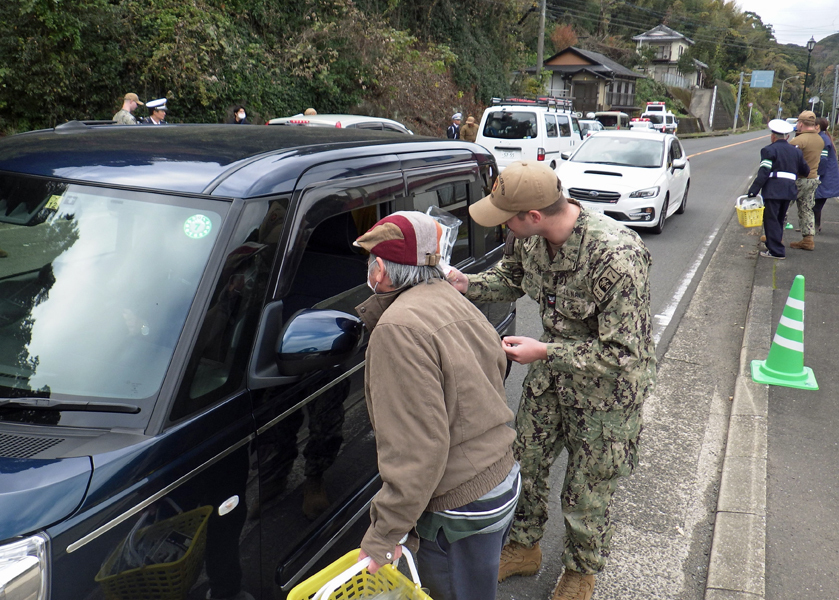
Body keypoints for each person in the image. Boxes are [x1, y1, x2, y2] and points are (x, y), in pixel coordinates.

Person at [445, 161, 656, 600]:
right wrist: (468, 284)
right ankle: (524, 547)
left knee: (587, 486)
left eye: (507, 217)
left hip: (606, 396)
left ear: (534, 216)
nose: (502, 223)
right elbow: (511, 278)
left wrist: (545, 351)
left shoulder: (616, 256)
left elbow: (623, 354)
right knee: (526, 461)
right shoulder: (530, 240)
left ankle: (581, 572)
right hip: (551, 380)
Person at [354, 211, 519, 600]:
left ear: (381, 272)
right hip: (501, 480)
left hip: (461, 506)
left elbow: (417, 450)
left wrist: (383, 536)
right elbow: (498, 364)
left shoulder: (399, 330)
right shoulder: (449, 296)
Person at [748, 119, 810, 260]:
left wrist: (753, 191)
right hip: (789, 189)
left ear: (773, 136)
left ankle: (776, 250)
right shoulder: (796, 152)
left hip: (773, 189)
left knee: (771, 220)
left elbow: (764, 172)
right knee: (780, 219)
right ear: (787, 136)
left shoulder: (769, 150)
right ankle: (775, 246)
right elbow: (805, 171)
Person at [789, 110, 824, 250]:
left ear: (801, 124)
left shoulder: (799, 140)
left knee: (782, 206)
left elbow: (789, 159)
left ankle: (774, 236)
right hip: (813, 179)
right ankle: (808, 239)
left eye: (798, 122)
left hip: (798, 179)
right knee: (807, 208)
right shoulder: (820, 140)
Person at [815, 117, 839, 232]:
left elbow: (823, 160)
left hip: (825, 177)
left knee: (816, 204)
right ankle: (814, 226)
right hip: (828, 177)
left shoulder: (823, 140)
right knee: (816, 204)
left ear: (817, 126)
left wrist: (818, 174)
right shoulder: (824, 137)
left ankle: (814, 227)